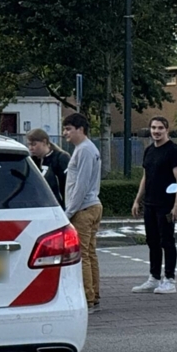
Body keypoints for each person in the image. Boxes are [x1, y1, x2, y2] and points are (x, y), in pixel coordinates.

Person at [130, 116, 177, 294]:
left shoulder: (174, 151)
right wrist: (137, 200)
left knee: (167, 241)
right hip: (150, 204)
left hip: (167, 205)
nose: (156, 131)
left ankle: (170, 280)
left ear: (166, 130)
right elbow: (146, 177)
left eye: (160, 128)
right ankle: (154, 278)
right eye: (153, 128)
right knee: (152, 241)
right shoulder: (149, 151)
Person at [62, 113, 103, 312]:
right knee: (90, 253)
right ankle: (94, 294)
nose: (65, 134)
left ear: (80, 129)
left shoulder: (84, 150)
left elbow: (81, 185)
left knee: (83, 255)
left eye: (69, 129)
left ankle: (88, 299)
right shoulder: (86, 149)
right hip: (92, 205)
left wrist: (69, 212)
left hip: (83, 208)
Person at [26, 128, 70, 209]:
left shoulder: (60, 158)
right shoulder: (32, 161)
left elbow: (68, 184)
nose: (31, 148)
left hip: (59, 207)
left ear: (44, 142)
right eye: (29, 145)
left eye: (34, 144)